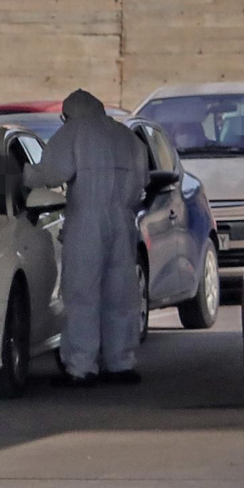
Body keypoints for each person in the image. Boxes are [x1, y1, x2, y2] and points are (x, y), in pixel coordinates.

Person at [25, 88, 151, 387]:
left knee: (82, 294)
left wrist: (25, 175)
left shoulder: (74, 133)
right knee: (121, 295)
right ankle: (120, 362)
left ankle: (82, 366)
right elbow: (143, 180)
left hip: (86, 221)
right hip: (123, 220)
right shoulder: (126, 136)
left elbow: (52, 173)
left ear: (69, 114)